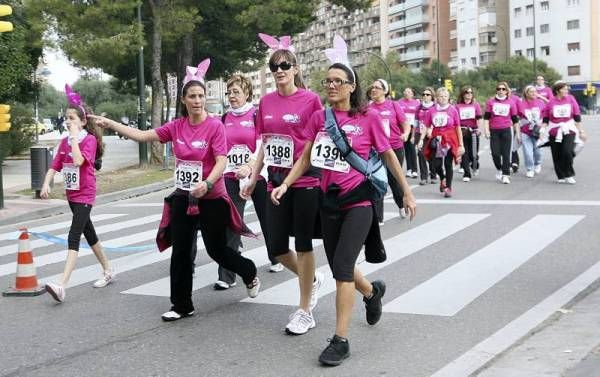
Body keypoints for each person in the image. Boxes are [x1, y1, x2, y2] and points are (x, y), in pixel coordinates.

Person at [271, 36, 417, 366]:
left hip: (359, 202)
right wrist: (285, 185)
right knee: (344, 263)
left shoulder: (369, 119)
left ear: (352, 86)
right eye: (328, 81)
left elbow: (389, 155)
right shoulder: (320, 118)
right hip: (329, 201)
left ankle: (340, 340)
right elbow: (306, 157)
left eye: (338, 81)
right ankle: (371, 292)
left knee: (339, 268)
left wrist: (406, 191)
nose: (331, 86)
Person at [92, 59, 261, 321]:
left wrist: (207, 183)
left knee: (218, 250)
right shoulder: (177, 127)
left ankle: (248, 271)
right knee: (181, 250)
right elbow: (143, 135)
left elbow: (221, 161)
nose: (197, 100)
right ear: (183, 99)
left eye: (201, 95)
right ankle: (182, 305)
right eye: (192, 96)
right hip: (184, 196)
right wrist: (111, 124)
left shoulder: (216, 125)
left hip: (211, 197)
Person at [241, 33, 324, 335]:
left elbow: (314, 143)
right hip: (275, 181)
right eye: (274, 66)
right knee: (276, 247)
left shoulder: (311, 100)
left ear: (296, 68)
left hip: (304, 181)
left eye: (285, 64)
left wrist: (292, 178)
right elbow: (265, 143)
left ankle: (305, 310)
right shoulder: (265, 102)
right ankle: (310, 279)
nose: (279, 70)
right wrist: (254, 177)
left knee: (303, 244)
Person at [41, 85, 113, 303]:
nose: (68, 121)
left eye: (72, 118)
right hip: (71, 195)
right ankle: (108, 270)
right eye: (66, 118)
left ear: (82, 121)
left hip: (85, 194)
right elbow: (55, 165)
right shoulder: (64, 142)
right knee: (90, 234)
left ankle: (62, 285)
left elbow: (80, 161)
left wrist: (74, 138)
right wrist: (46, 184)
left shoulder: (88, 140)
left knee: (74, 236)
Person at [213, 74, 283, 291]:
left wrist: (251, 167)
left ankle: (277, 256)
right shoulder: (224, 119)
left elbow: (263, 142)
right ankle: (228, 274)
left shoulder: (256, 114)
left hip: (258, 175)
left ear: (247, 94)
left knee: (267, 218)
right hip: (231, 176)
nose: (232, 96)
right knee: (231, 222)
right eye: (229, 92)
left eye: (236, 92)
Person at [367, 79, 410, 221]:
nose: (373, 90)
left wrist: (405, 134)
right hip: (376, 150)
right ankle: (379, 217)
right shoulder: (368, 108)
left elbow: (405, 124)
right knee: (378, 180)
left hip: (395, 147)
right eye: (372, 87)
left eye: (377, 88)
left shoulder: (393, 105)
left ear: (385, 91)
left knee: (394, 180)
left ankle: (401, 205)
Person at [542, 81, 587, 184]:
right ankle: (561, 175)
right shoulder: (550, 102)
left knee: (567, 151)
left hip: (569, 129)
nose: (567, 91)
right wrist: (542, 130)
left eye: (567, 89)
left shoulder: (571, 99)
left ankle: (569, 174)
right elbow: (545, 118)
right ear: (558, 91)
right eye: (564, 89)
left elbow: (577, 116)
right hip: (554, 130)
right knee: (556, 154)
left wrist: (581, 131)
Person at [422, 87, 464, 198]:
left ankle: (448, 188)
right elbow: (426, 126)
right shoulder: (432, 111)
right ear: (436, 98)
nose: (443, 98)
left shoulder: (453, 110)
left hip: (450, 138)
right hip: (437, 139)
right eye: (441, 96)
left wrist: (461, 144)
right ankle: (442, 177)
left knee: (448, 163)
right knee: (436, 165)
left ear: (448, 98)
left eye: (445, 96)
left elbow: (458, 127)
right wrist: (421, 140)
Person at [483, 81, 520, 184]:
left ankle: (506, 174)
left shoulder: (511, 102)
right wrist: (486, 130)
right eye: (499, 89)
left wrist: (518, 134)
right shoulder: (491, 102)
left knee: (506, 153)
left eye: (503, 89)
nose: (501, 91)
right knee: (495, 153)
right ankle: (499, 168)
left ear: (506, 91)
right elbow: (486, 118)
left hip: (507, 129)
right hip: (494, 130)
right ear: (496, 91)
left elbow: (515, 120)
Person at [455, 86, 483, 181]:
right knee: (464, 153)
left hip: (473, 131)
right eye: (467, 92)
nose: (469, 94)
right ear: (463, 94)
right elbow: (456, 120)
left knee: (473, 153)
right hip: (462, 131)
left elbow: (479, 118)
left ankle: (475, 164)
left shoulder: (475, 105)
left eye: (471, 92)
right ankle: (467, 174)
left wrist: (479, 128)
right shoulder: (457, 106)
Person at [518, 85, 546, 178]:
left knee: (538, 151)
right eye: (532, 92)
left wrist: (542, 130)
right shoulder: (521, 103)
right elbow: (516, 118)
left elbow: (545, 117)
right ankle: (530, 168)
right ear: (526, 93)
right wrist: (517, 133)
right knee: (527, 152)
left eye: (535, 91)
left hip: (537, 131)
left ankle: (538, 163)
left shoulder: (540, 103)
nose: (534, 93)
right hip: (525, 131)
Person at [415, 87, 436, 185]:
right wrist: (413, 135)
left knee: (431, 155)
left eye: (427, 95)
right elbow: (416, 122)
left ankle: (433, 174)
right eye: (423, 94)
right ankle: (424, 176)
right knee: (420, 154)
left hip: (432, 134)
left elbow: (437, 120)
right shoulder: (419, 107)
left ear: (432, 96)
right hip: (420, 133)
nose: (425, 96)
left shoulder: (435, 107)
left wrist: (431, 129)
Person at [398, 87, 420, 178]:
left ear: (412, 94)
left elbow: (418, 117)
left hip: (413, 128)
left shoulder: (417, 103)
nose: (406, 93)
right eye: (405, 91)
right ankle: (409, 169)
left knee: (412, 148)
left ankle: (415, 170)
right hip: (403, 129)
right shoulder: (399, 102)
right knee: (406, 149)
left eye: (408, 92)